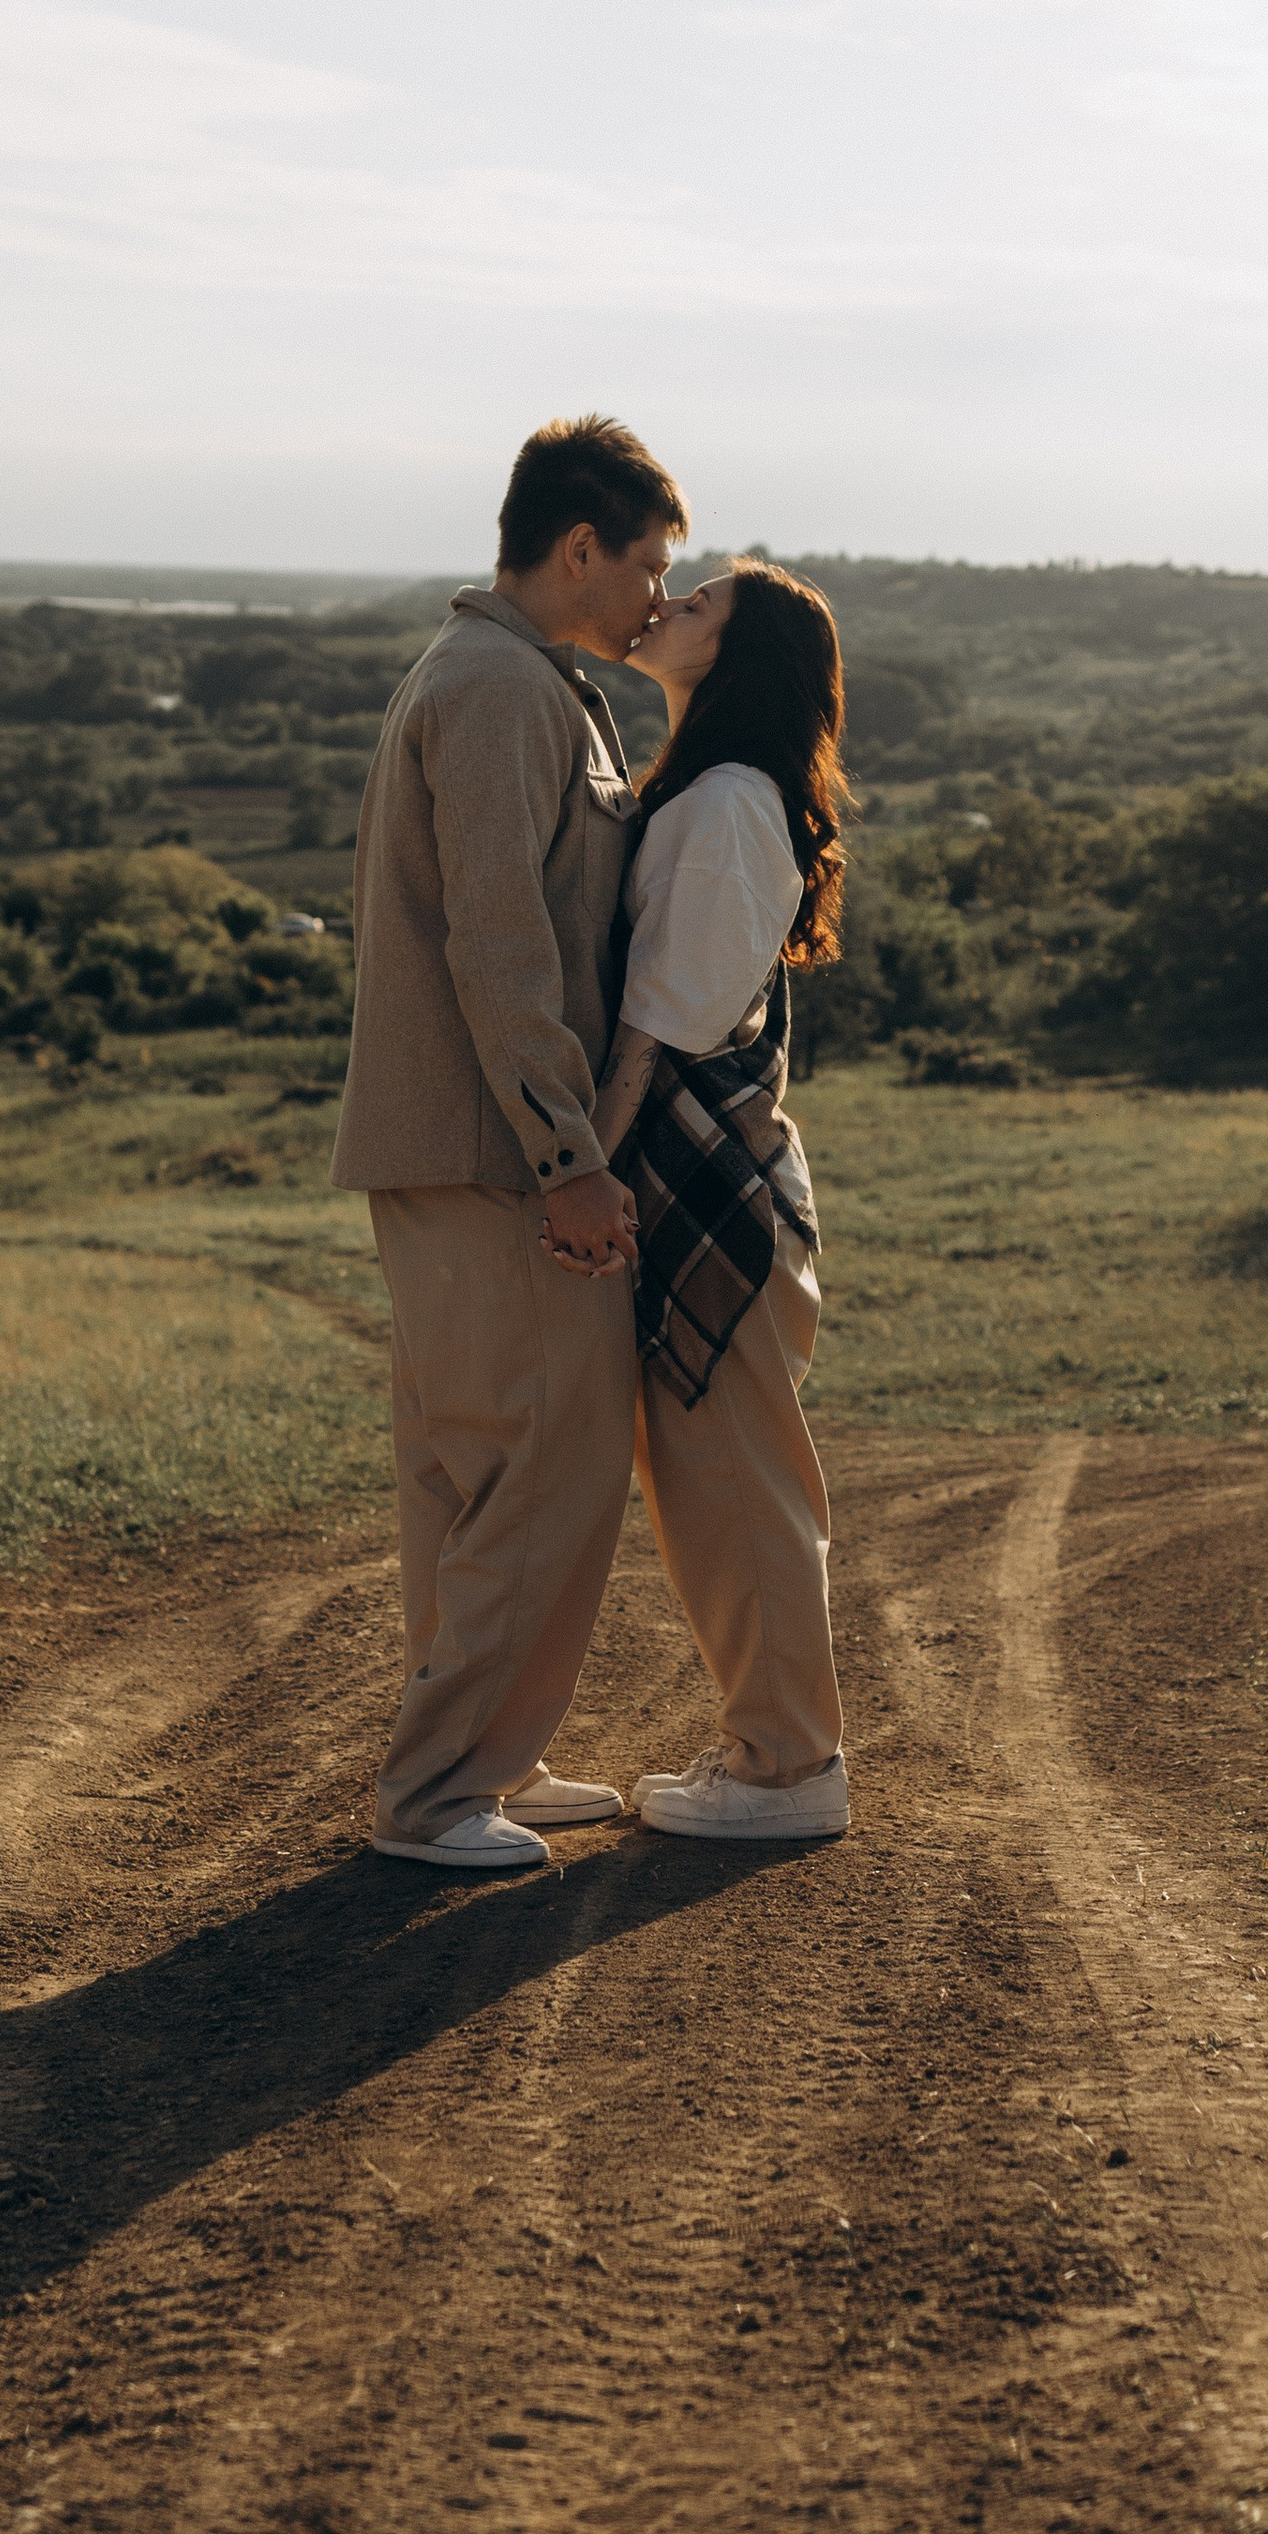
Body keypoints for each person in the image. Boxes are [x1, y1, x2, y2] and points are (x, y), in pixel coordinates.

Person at [333, 416, 686, 1871]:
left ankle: (488, 1757)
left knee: (476, 1469)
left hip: (464, 1146)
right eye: (650, 562)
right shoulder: (497, 690)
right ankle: (436, 1797)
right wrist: (570, 1156)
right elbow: (500, 943)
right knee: (539, 1461)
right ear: (578, 544)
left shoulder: (531, 681)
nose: (662, 594)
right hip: (492, 1153)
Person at [575, 559, 853, 1843]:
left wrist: (576, 1168)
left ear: (736, 661)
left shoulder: (733, 800)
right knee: (709, 1482)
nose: (665, 606)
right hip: (697, 1179)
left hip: (711, 1186)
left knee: (738, 1486)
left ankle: (788, 1770)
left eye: (695, 608)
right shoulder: (701, 786)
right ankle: (769, 1748)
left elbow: (662, 1024)